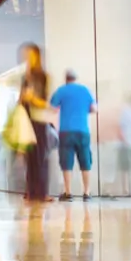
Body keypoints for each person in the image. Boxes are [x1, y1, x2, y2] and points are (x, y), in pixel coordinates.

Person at [50, 69, 97, 201]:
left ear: (66, 79)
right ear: (76, 78)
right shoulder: (85, 90)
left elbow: (52, 109)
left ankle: (68, 193)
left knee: (66, 162)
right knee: (85, 161)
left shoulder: (61, 90)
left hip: (66, 131)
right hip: (83, 130)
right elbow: (94, 109)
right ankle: (87, 193)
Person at [19, 43, 52, 205]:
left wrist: (32, 99)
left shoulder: (42, 76)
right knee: (30, 156)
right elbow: (21, 99)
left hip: (39, 119)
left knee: (39, 156)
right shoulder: (25, 77)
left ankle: (41, 192)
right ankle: (31, 191)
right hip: (27, 119)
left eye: (30, 55)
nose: (27, 59)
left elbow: (45, 102)